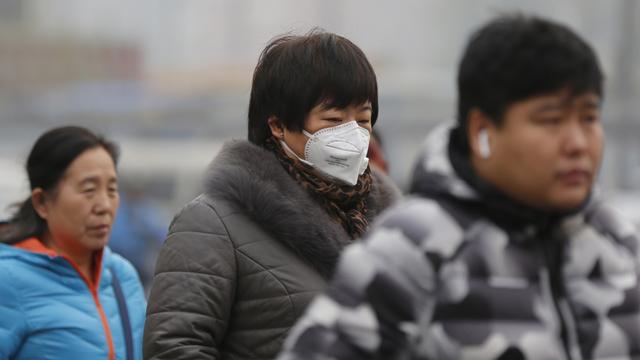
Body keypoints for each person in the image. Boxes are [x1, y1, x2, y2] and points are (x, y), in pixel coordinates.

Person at [277, 14, 640, 360]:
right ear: (482, 129)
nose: (578, 142)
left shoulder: (621, 245)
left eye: (589, 117)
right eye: (551, 120)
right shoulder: (414, 249)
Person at [143, 30, 400, 359]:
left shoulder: (392, 227)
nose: (352, 135)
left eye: (363, 120)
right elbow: (172, 347)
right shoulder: (212, 225)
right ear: (277, 125)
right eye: (333, 119)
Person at [0, 126, 146, 360]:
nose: (104, 206)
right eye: (89, 190)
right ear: (41, 203)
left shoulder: (122, 276)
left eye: (112, 189)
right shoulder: (7, 280)